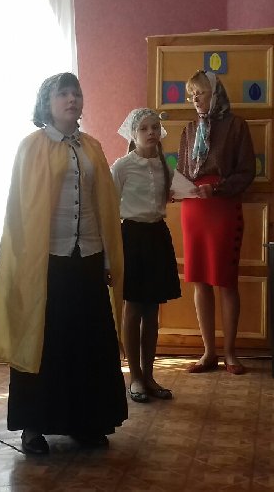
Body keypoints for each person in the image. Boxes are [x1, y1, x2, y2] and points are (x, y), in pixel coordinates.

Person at [0, 72, 127, 456]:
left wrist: (107, 257)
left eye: (75, 93)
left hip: (89, 257)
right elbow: (21, 209)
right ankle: (34, 426)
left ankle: (87, 422)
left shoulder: (93, 147)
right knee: (44, 341)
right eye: (62, 94)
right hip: (46, 260)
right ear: (46, 103)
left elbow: (104, 205)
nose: (71, 99)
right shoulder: (31, 146)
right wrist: (23, 262)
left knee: (87, 341)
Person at [176, 70, 256, 375]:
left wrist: (217, 188)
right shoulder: (188, 129)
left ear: (216, 93)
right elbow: (183, 171)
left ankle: (230, 353)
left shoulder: (237, 126)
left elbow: (246, 172)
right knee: (199, 280)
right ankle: (208, 352)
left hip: (222, 207)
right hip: (193, 209)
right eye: (191, 95)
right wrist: (176, 189)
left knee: (225, 280)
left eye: (201, 93)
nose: (195, 99)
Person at [110, 108, 181, 403]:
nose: (151, 132)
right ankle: (135, 378)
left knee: (152, 310)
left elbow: (176, 193)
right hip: (132, 237)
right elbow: (109, 206)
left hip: (157, 236)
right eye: (143, 128)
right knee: (134, 307)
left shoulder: (165, 165)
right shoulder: (122, 166)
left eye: (154, 127)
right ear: (133, 133)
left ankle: (149, 375)